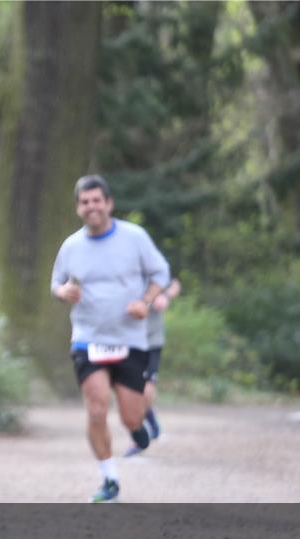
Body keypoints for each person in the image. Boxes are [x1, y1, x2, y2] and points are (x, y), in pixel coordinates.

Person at [51, 175, 169, 502]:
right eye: (84, 202)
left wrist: (145, 302)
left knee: (132, 414)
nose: (91, 207)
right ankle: (109, 479)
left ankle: (137, 428)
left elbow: (160, 273)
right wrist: (64, 292)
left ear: (109, 203)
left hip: (130, 339)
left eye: (96, 200)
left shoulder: (135, 237)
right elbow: (56, 284)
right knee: (97, 408)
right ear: (78, 208)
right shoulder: (71, 246)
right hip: (87, 338)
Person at [138, 277, 181, 447]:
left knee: (147, 388)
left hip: (153, 342)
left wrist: (165, 296)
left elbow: (175, 285)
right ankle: (151, 425)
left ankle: (151, 426)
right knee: (133, 389)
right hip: (130, 340)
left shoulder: (155, 271)